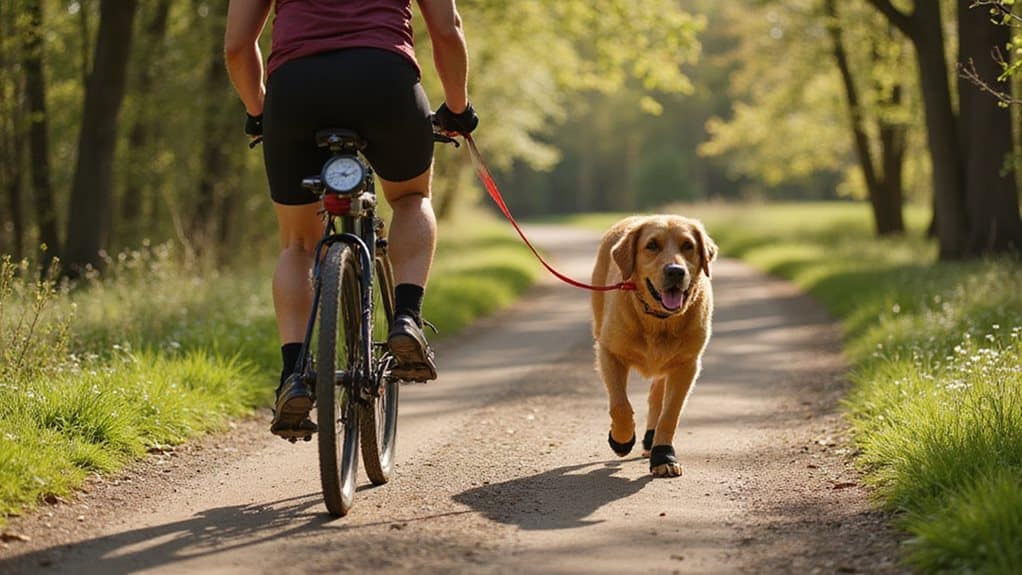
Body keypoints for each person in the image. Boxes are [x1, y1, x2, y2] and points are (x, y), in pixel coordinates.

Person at [224, 0, 479, 438]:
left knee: (298, 245)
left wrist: (257, 111)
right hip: (383, 79)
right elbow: (447, 31)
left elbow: (236, 47)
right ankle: (407, 319)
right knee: (411, 197)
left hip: (295, 91)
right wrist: (457, 108)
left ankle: (294, 375)